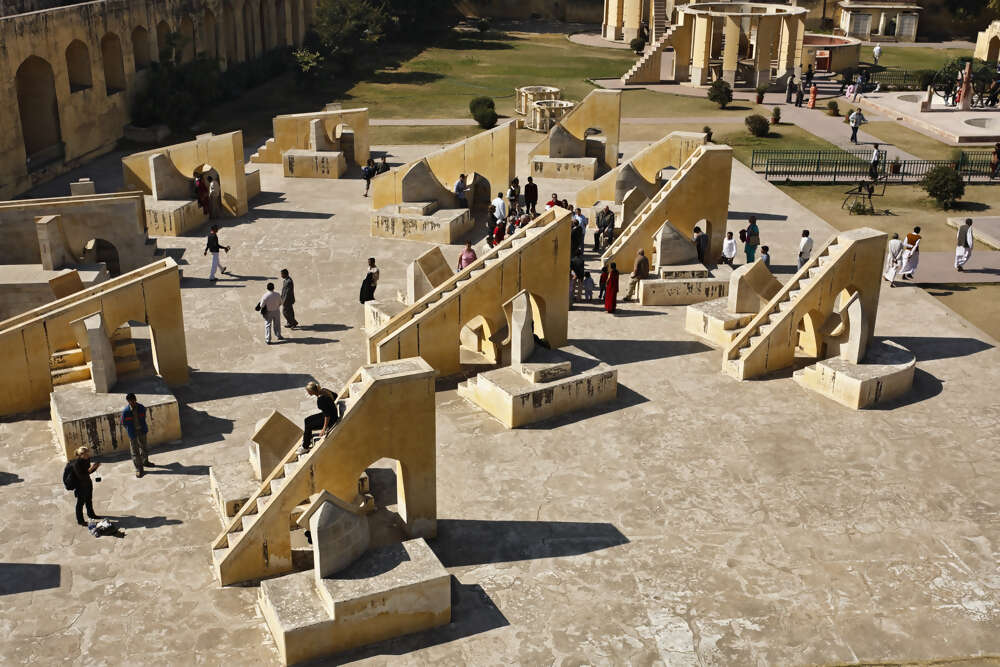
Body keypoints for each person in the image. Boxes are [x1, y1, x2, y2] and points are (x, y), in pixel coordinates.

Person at [300, 381, 339, 455]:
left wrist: (324, 428)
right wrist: (330, 405)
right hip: (332, 414)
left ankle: (305, 447)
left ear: (312, 391)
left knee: (309, 426)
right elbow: (335, 395)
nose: (307, 393)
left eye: (308, 391)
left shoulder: (320, 400)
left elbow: (327, 416)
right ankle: (308, 439)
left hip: (331, 419)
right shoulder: (324, 390)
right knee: (307, 420)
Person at [121, 393, 154, 478]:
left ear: (136, 400)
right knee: (135, 451)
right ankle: (139, 469)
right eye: (130, 401)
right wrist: (130, 430)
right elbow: (123, 423)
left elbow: (144, 418)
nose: (132, 402)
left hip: (142, 431)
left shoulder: (141, 408)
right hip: (133, 433)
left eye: (133, 400)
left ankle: (145, 462)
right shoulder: (126, 412)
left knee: (145, 448)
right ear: (128, 401)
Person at [70, 446, 101, 526]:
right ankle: (80, 521)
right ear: (81, 455)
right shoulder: (76, 464)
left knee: (89, 500)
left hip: (88, 483)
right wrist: (91, 469)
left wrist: (95, 467)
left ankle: (91, 514)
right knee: (80, 503)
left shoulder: (86, 460)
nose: (88, 455)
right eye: (86, 454)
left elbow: (88, 472)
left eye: (88, 453)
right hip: (80, 486)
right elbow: (81, 476)